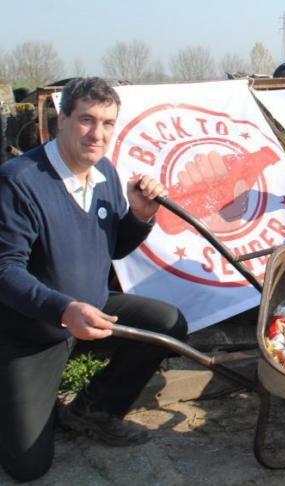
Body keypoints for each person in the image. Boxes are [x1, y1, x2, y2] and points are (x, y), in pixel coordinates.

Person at [0, 78, 188, 482]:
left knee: (169, 324)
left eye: (107, 123)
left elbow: (113, 248)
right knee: (29, 467)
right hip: (31, 330)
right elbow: (5, 269)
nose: (97, 134)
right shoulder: (18, 181)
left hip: (91, 310)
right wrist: (63, 310)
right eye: (86, 120)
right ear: (61, 119)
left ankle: (93, 410)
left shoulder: (104, 171)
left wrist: (139, 215)